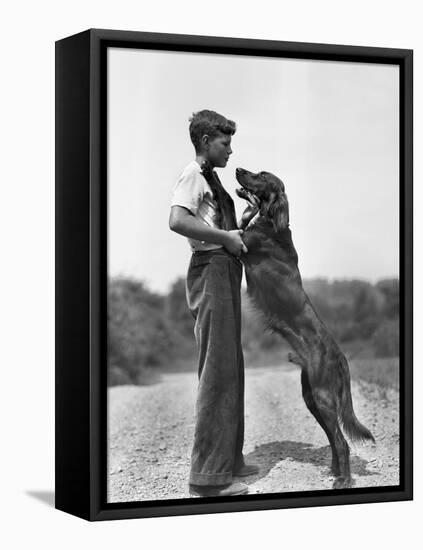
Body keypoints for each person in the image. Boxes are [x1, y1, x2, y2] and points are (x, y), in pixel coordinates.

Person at [169, 109, 259, 497]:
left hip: (225, 270)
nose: (230, 150)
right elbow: (177, 221)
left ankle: (230, 461)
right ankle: (206, 480)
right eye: (225, 143)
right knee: (216, 372)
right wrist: (225, 237)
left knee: (231, 367)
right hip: (209, 270)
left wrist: (244, 223)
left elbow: (218, 226)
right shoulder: (192, 172)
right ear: (206, 141)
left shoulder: (212, 178)